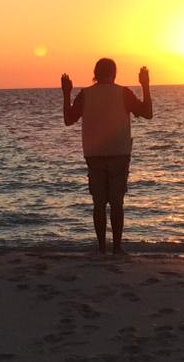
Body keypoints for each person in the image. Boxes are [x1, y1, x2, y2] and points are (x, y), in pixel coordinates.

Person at [61, 59, 153, 255]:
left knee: (99, 203)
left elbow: (69, 120)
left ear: (95, 73)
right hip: (119, 152)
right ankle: (117, 247)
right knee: (117, 202)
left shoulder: (86, 94)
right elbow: (148, 113)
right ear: (114, 73)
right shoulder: (123, 93)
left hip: (94, 154)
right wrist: (145, 85)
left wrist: (66, 93)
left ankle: (102, 247)